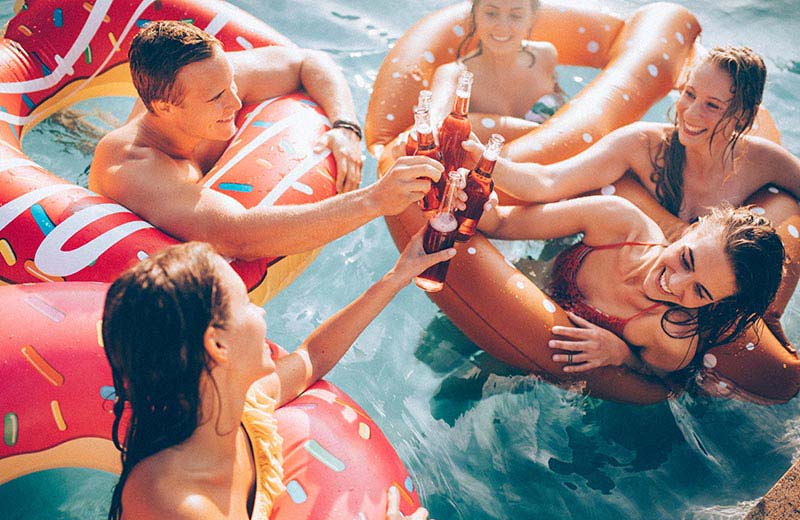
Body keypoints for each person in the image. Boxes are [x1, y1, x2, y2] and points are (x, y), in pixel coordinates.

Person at [4, 234, 450, 520]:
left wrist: (398, 275)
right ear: (217, 346)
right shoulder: (178, 505)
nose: (262, 311)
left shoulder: (239, 410)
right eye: (245, 302)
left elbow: (312, 357)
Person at [463, 45, 800, 343]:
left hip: (660, 311)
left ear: (743, 115)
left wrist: (773, 309)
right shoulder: (642, 144)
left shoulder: (763, 163)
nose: (691, 113)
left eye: (712, 105)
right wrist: (484, 159)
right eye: (689, 94)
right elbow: (548, 183)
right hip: (596, 263)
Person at [88, 21, 444, 261]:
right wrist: (374, 199)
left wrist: (345, 127)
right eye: (216, 98)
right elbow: (236, 237)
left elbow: (309, 62)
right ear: (165, 107)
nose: (235, 101)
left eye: (230, 84)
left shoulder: (209, 78)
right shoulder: (131, 167)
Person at [476, 195, 784, 376]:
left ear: (716, 303)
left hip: (531, 363)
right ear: (693, 229)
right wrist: (478, 201)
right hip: (509, 289)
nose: (675, 284)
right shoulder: (618, 222)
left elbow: (655, 382)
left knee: (456, 392)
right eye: (687, 259)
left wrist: (622, 354)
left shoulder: (669, 335)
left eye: (700, 292)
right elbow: (503, 223)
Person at [428, 0, 563, 142]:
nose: (502, 27)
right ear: (474, 14)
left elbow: (562, 101)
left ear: (532, 18)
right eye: (491, 13)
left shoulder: (545, 56)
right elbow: (433, 122)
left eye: (516, 16)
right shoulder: (454, 75)